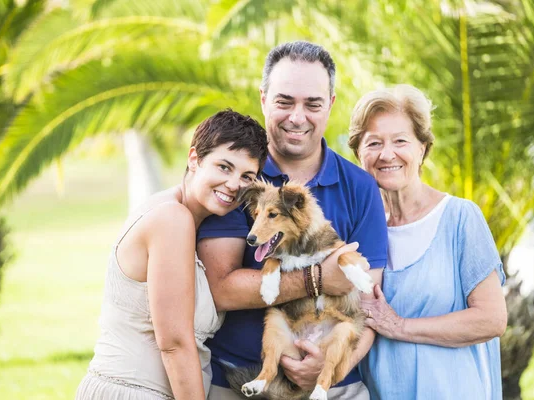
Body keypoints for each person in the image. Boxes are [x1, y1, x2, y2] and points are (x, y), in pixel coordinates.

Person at [197, 41, 389, 399]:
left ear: (330, 104)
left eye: (312, 104)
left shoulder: (361, 186)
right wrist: (316, 278)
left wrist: (331, 371)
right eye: (284, 101)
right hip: (239, 384)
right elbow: (221, 288)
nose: (297, 117)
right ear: (264, 98)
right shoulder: (238, 181)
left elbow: (369, 304)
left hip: (336, 388)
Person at [75, 109, 269, 400]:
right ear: (194, 159)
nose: (234, 185)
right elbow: (175, 344)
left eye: (246, 176)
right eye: (224, 167)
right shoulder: (172, 218)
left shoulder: (190, 222)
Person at [348, 84, 507, 400]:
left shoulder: (460, 218)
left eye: (400, 141)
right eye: (374, 142)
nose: (387, 153)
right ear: (359, 154)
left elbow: (492, 319)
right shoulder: (357, 232)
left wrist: (399, 326)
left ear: (422, 148)